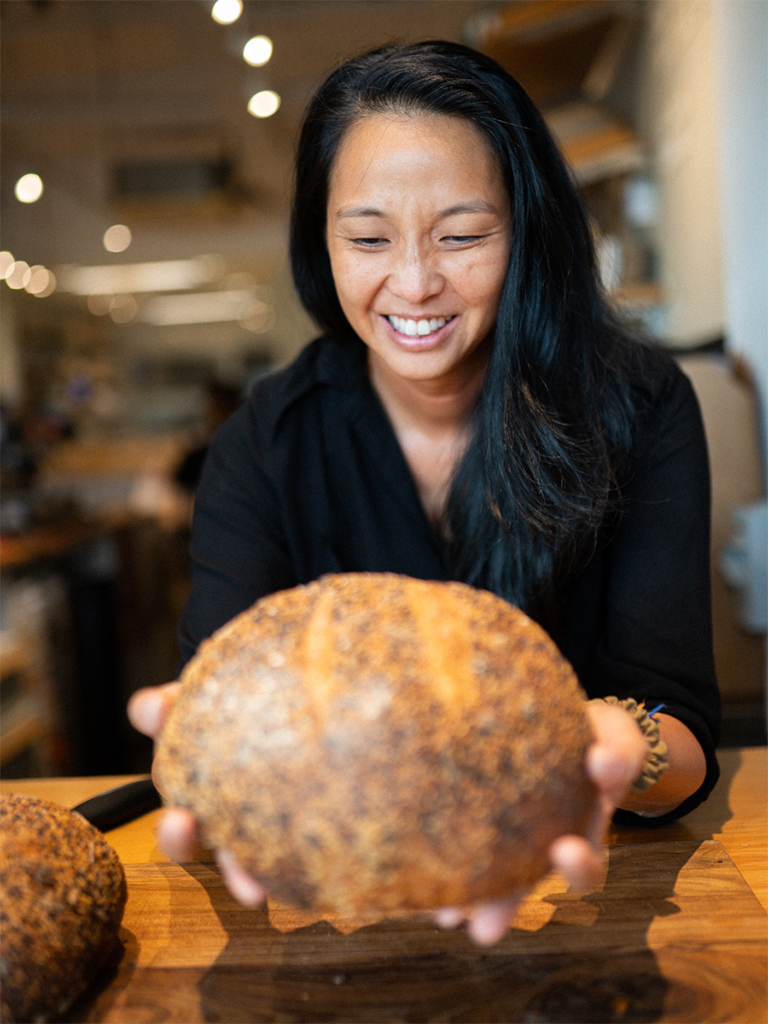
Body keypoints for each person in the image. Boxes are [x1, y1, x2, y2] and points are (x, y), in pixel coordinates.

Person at [129, 40, 720, 946]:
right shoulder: (266, 441)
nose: (412, 283)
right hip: (341, 918)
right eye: (368, 238)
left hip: (587, 913)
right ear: (319, 240)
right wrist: (214, 769)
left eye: (462, 235)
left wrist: (604, 750)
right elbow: (213, 724)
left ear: (526, 229)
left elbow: (678, 726)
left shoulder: (639, 408)